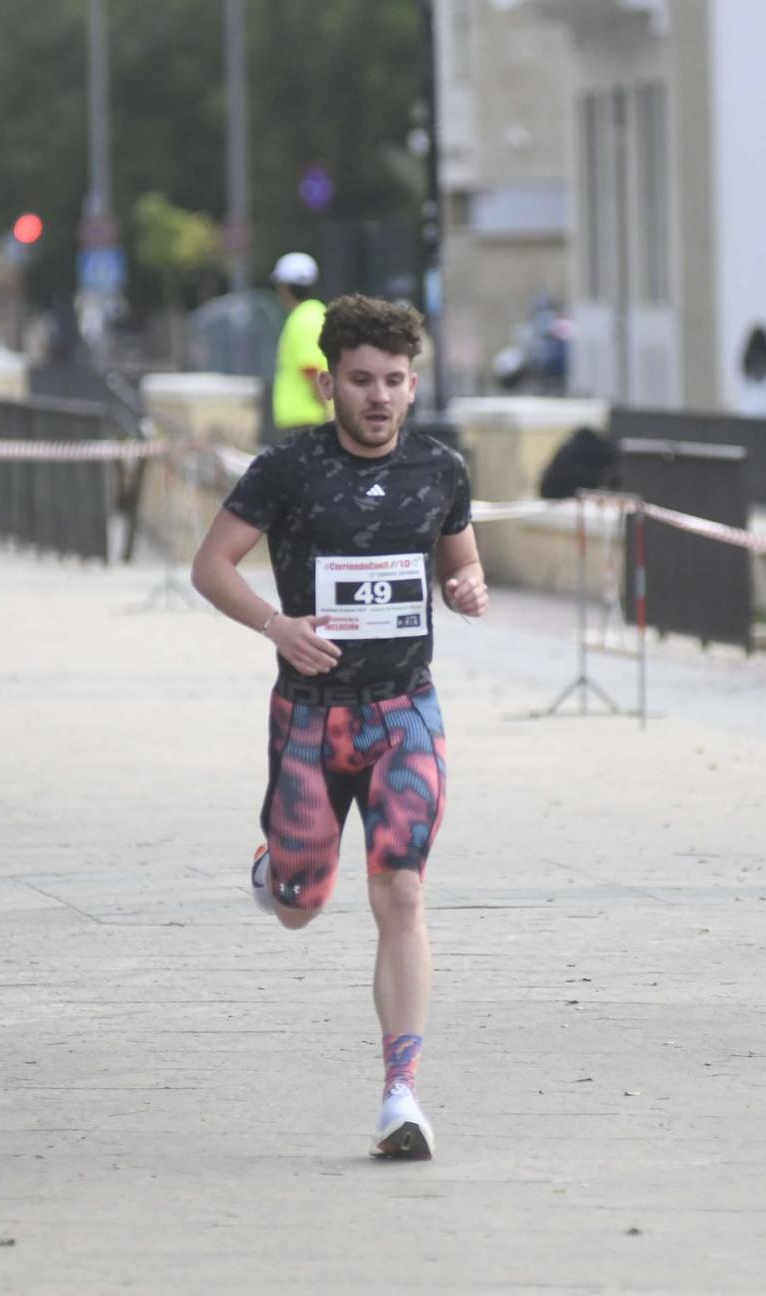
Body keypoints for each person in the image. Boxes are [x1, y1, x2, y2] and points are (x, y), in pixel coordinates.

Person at [191, 295, 487, 1159]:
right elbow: (210, 566)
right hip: (311, 719)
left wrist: (467, 591)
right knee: (298, 905)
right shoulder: (287, 469)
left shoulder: (441, 469)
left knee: (400, 889)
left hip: (406, 711)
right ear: (328, 384)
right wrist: (276, 625)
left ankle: (402, 1095)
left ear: (414, 384)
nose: (379, 397)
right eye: (361, 380)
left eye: (394, 381)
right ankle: (275, 863)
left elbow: (462, 565)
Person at [269, 252, 330, 435]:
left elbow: (311, 370)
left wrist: (329, 412)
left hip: (304, 418)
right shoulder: (316, 313)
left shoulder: (303, 318)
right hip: (307, 417)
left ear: (285, 287)